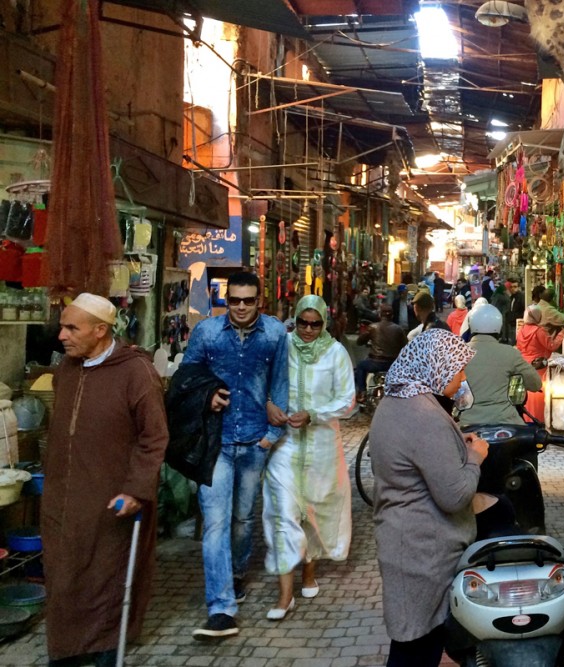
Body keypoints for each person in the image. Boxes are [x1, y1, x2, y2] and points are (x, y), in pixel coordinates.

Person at [42, 293, 169, 666]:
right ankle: (66, 647)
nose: (62, 335)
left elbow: (154, 438)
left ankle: (105, 645)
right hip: (63, 493)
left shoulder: (136, 372)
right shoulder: (67, 368)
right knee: (63, 570)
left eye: (71, 328)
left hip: (112, 495)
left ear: (100, 331)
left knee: (106, 573)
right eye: (62, 326)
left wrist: (136, 490)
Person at [369, 328, 489, 666]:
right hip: (421, 551)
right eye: (457, 369)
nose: (463, 377)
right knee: (415, 649)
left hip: (406, 542)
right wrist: (476, 457)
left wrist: (453, 448)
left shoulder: (398, 399)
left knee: (415, 645)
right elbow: (455, 496)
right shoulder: (422, 415)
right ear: (435, 367)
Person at [183, 271, 290, 639]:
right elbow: (186, 381)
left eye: (248, 300)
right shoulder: (207, 333)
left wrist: (271, 435)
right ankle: (221, 608)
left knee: (243, 519)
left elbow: (281, 384)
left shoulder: (275, 334)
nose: (241, 307)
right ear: (226, 300)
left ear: (260, 300)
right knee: (215, 523)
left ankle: (236, 573)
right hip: (216, 443)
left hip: (253, 441)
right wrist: (206, 396)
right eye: (235, 300)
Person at [262, 296, 355, 620]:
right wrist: (270, 403)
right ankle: (284, 596)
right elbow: (263, 382)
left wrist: (314, 414)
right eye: (303, 322)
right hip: (285, 444)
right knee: (282, 513)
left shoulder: (336, 353)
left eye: (315, 324)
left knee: (313, 511)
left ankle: (309, 571)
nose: (308, 330)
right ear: (295, 320)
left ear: (324, 323)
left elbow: (347, 401)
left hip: (321, 444)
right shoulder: (281, 346)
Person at [459, 304, 542, 427]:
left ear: (471, 326)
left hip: (467, 423)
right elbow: (535, 384)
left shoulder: (458, 353)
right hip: (506, 422)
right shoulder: (510, 353)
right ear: (499, 328)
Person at [516, 305, 564, 422]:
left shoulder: (521, 330)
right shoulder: (538, 331)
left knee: (528, 394)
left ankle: (528, 419)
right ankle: (539, 419)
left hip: (524, 366)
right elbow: (551, 345)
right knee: (539, 394)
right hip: (539, 367)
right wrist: (561, 334)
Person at [355, 304, 408, 401]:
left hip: (375, 363)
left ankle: (362, 393)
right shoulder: (398, 329)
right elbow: (406, 346)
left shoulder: (373, 327)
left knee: (360, 366)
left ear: (380, 315)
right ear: (392, 316)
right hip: (392, 365)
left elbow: (359, 341)